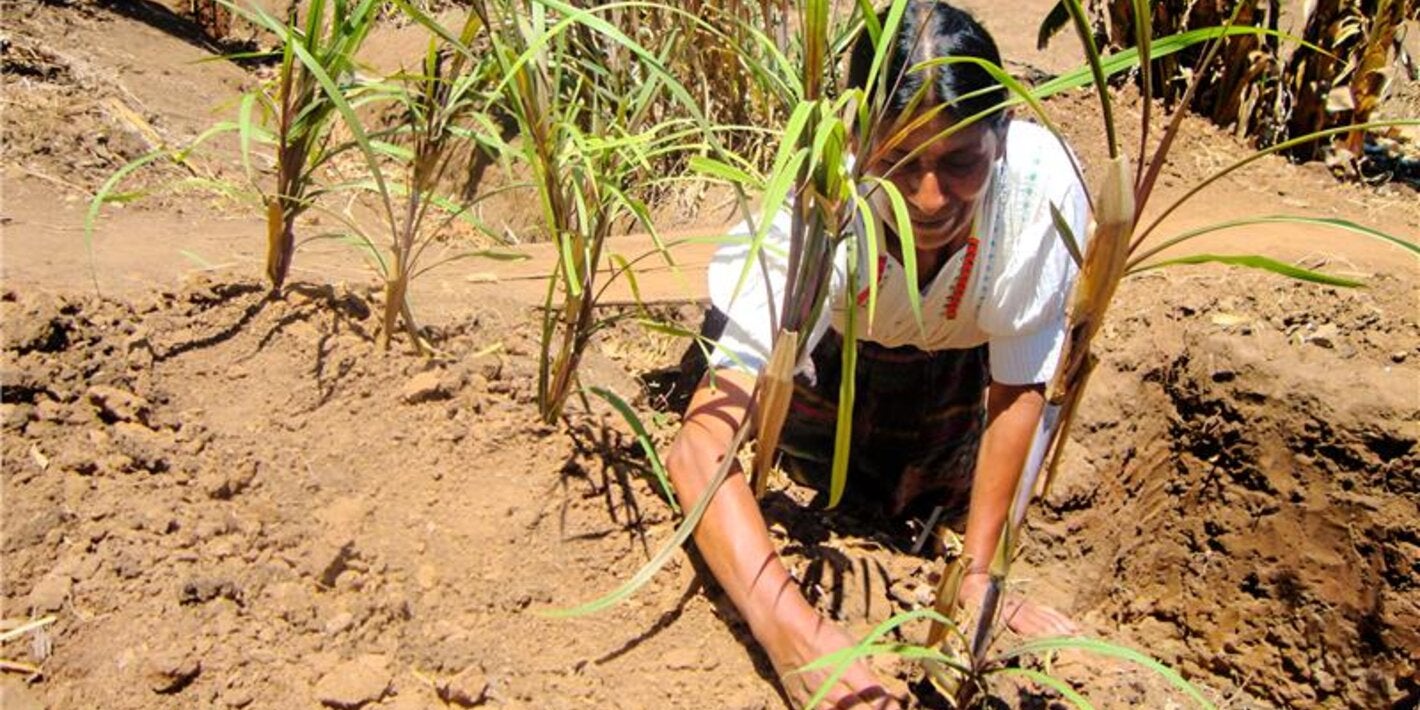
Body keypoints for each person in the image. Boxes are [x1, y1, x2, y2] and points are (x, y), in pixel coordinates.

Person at [665, 3, 1088, 707]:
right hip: (828, 359)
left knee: (926, 508)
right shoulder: (809, 213)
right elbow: (698, 450)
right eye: (898, 161)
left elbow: (1017, 393)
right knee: (818, 478)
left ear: (1002, 134)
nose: (928, 199)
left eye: (961, 162)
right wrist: (792, 632)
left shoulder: (1039, 198)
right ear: (859, 138)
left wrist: (979, 579)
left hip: (954, 372)